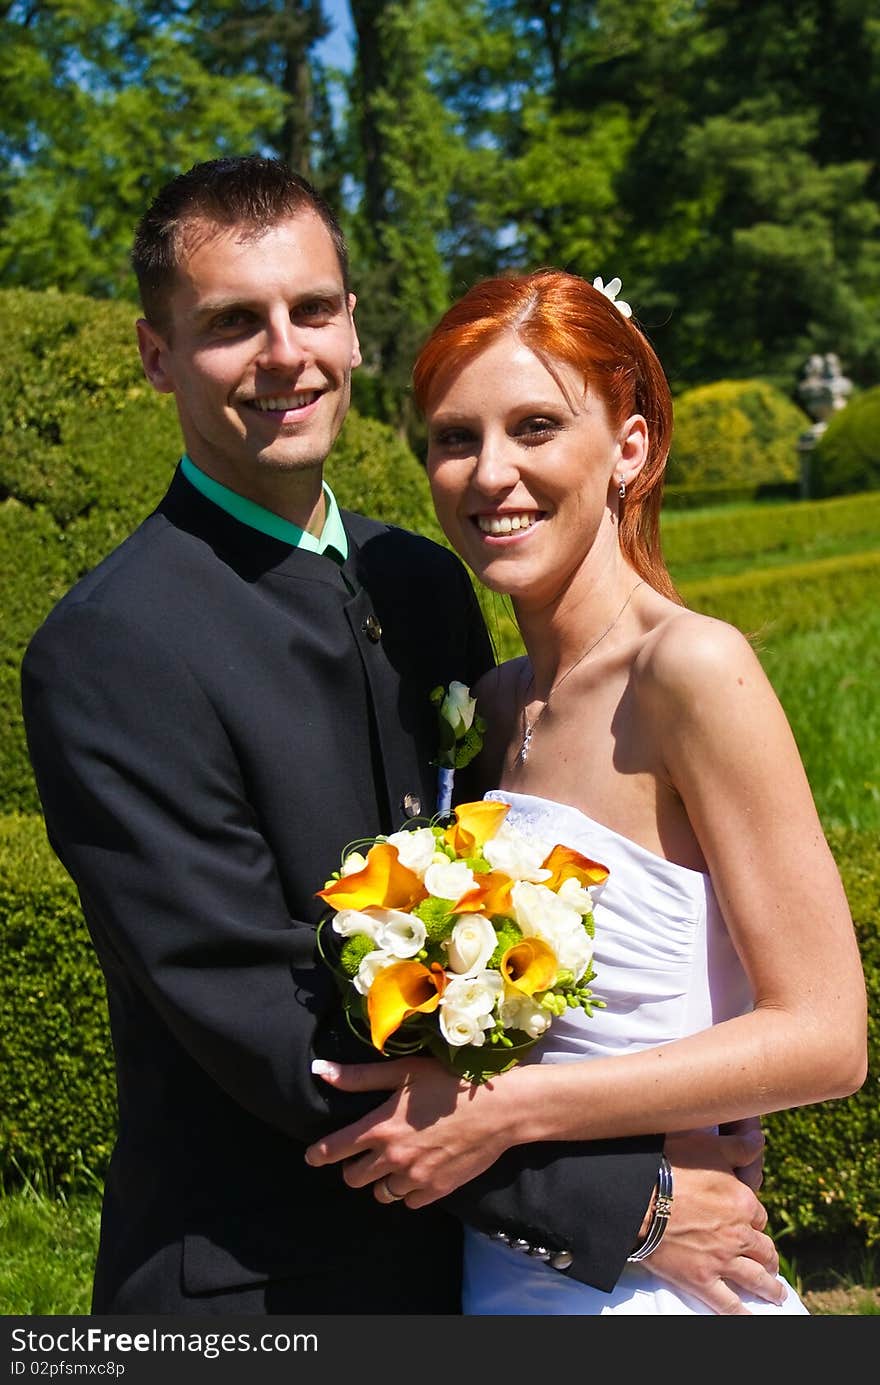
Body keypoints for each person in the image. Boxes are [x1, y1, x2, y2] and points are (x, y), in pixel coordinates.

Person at [20, 157, 785, 1316]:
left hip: (470, 1269)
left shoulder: (422, 578)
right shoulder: (112, 648)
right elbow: (276, 1033)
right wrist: (627, 1201)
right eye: (232, 322)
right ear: (155, 354)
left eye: (311, 308)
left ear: (352, 325)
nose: (286, 352)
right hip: (267, 1286)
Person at [303, 268, 868, 1315]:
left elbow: (827, 1035)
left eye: (533, 427)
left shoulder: (689, 670)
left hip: (660, 1293)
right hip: (506, 1270)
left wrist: (500, 1107)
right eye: (454, 437)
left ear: (630, 447)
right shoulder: (488, 702)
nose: (490, 473)